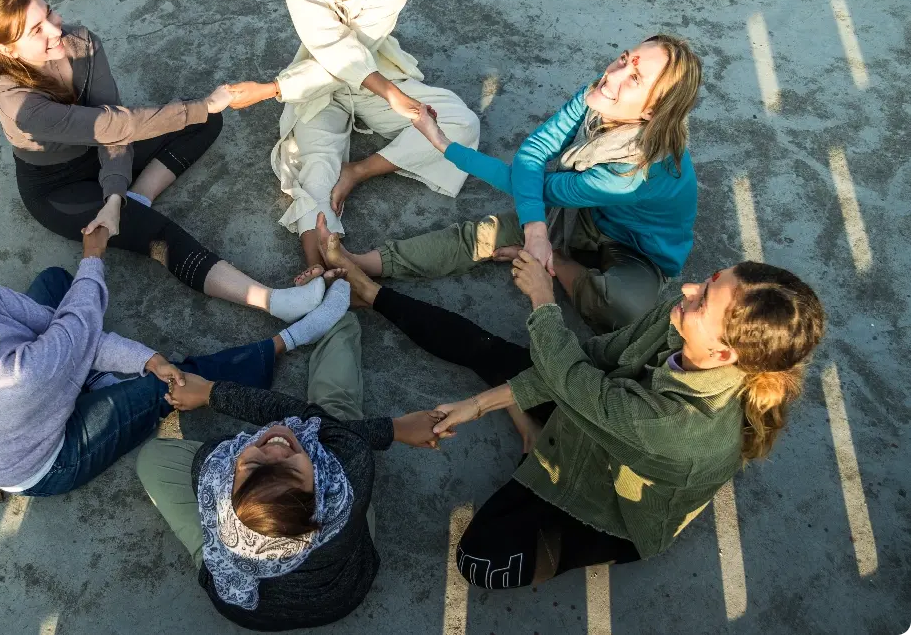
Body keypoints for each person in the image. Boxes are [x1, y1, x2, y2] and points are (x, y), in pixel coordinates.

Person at [329, 235, 824, 589]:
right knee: (497, 354)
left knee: (481, 561)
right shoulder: (681, 316)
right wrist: (480, 404)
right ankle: (370, 293)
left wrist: (543, 300)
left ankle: (580, 506)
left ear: (722, 354)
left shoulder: (681, 428)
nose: (690, 289)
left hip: (611, 500)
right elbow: (595, 358)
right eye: (711, 280)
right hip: (596, 406)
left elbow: (572, 377)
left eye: (704, 301)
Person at [0, 226, 353, 497]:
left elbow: (64, 330)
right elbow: (76, 330)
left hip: (42, 382)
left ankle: (89, 382)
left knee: (55, 283)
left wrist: (145, 357)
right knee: (173, 381)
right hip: (46, 460)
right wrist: (93, 255)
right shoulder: (13, 379)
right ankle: (291, 338)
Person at [0, 0, 329, 324]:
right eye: (37, 30)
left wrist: (116, 194)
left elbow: (113, 121)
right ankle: (274, 302)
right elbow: (114, 126)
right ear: (6, 49)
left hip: (104, 141)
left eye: (49, 12)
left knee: (205, 121)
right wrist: (202, 104)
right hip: (58, 187)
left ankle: (137, 198)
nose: (55, 29)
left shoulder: (80, 41)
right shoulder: (18, 104)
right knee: (159, 234)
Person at [338, 35, 703, 333]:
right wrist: (535, 229)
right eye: (624, 59)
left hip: (636, 249)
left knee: (623, 309)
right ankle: (365, 262)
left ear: (651, 112)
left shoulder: (635, 172)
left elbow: (534, 185)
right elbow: (534, 153)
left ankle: (556, 261)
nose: (614, 74)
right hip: (588, 213)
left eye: (635, 79)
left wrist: (444, 144)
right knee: (485, 234)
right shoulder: (601, 93)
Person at [136, 313, 445, 630]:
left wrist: (208, 392)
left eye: (254, 465)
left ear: (229, 485)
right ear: (318, 495)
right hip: (340, 594)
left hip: (251, 610)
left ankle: (216, 558)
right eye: (291, 470)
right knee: (332, 417)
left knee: (152, 458)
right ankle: (339, 320)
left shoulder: (213, 472)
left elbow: (295, 424)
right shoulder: (352, 470)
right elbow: (312, 420)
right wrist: (396, 428)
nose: (277, 447)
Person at [225, 0, 481, 274]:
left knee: (461, 123)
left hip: (375, 77)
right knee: (315, 168)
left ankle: (357, 171)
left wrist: (272, 89)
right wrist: (277, 87)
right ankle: (320, 269)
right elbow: (330, 49)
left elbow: (356, 56)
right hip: (318, 84)